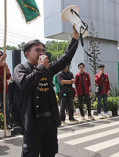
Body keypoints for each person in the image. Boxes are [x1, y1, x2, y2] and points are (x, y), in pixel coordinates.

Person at [13, 25, 79, 157]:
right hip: (32, 124)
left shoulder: (47, 69)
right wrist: (40, 68)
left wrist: (75, 39)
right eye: (38, 50)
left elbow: (65, 59)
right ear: (27, 53)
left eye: (43, 50)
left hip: (49, 122)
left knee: (49, 153)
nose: (42, 53)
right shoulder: (21, 68)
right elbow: (24, 83)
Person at [0, 51, 12, 129]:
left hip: (4, 89)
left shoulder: (5, 65)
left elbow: (8, 77)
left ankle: (7, 123)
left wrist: (7, 70)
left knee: (6, 107)